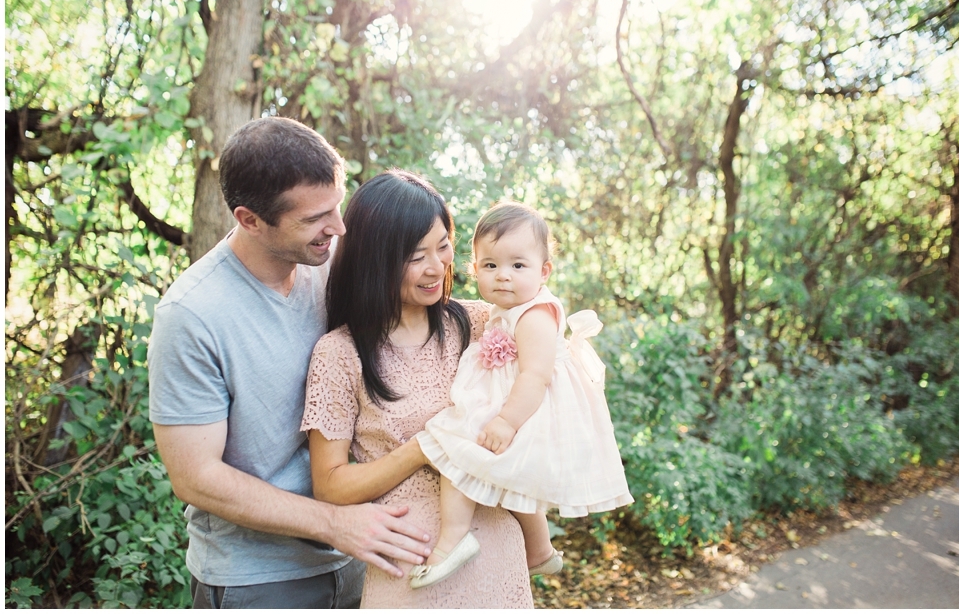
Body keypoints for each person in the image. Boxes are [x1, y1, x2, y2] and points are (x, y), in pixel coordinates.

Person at [148, 118, 433, 609]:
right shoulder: (192, 315)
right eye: (314, 218)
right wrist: (333, 523)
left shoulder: (332, 258)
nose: (339, 228)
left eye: (337, 206)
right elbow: (194, 476)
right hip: (259, 578)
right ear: (250, 219)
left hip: (363, 552)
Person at [301, 170, 534, 608]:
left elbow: (546, 369)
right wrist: (422, 449)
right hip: (409, 567)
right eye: (414, 256)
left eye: (443, 246)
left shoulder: (482, 324)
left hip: (499, 554)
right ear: (376, 260)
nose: (436, 268)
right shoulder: (339, 354)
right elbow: (329, 485)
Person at [410, 201, 634, 589]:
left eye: (518, 265)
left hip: (531, 407)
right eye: (491, 266)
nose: (503, 277)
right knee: (514, 478)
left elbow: (535, 376)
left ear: (543, 271)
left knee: (460, 451)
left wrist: (506, 420)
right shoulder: (505, 309)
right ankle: (541, 551)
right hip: (517, 400)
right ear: (474, 269)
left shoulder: (534, 315)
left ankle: (454, 538)